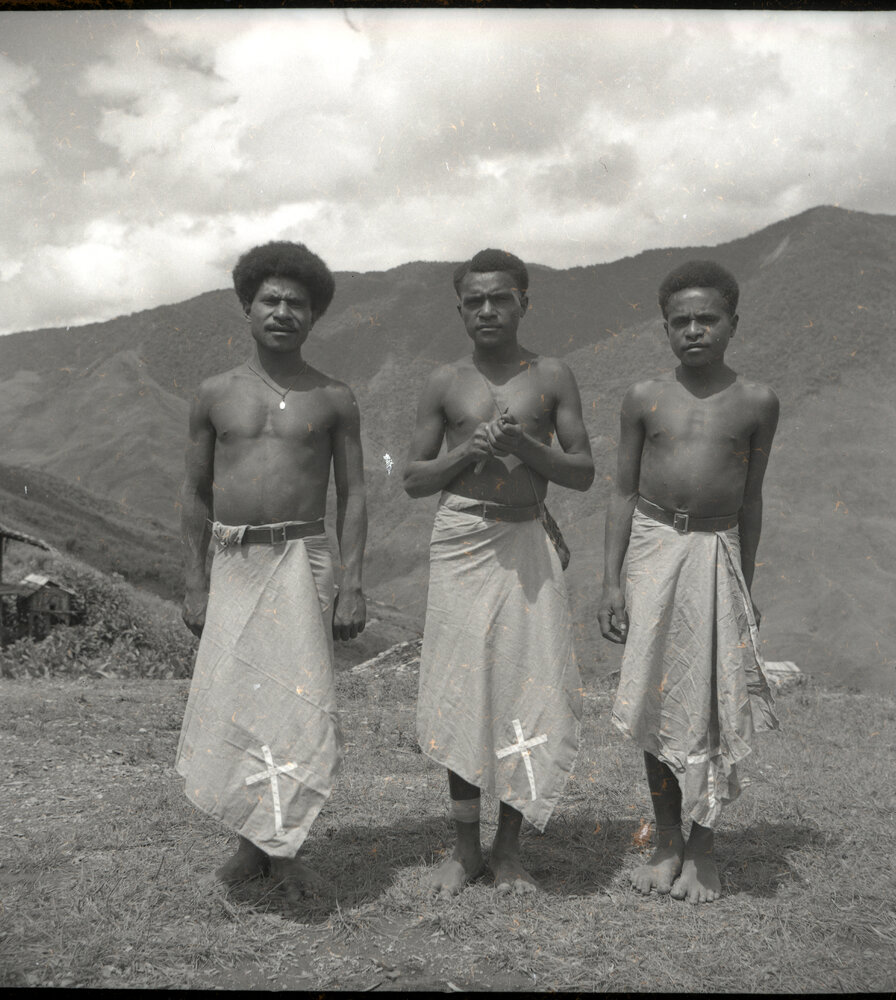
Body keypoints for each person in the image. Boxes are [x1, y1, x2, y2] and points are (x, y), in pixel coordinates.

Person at [175, 240, 367, 897]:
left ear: (315, 316)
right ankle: (247, 844)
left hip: (302, 557)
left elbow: (356, 493)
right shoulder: (214, 394)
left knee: (294, 701)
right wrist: (194, 578)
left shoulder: (334, 397)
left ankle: (285, 848)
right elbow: (194, 491)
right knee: (239, 699)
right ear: (247, 307)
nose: (284, 312)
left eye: (298, 304)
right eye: (271, 300)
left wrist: (353, 582)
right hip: (233, 558)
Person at [404, 248, 594, 897]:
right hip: (462, 540)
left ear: (523, 302)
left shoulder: (552, 377)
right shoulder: (444, 382)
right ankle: (464, 850)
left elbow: (582, 472)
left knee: (525, 688)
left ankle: (508, 849)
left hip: (525, 541)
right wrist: (467, 451)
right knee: (460, 691)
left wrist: (523, 445)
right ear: (460, 309)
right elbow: (413, 479)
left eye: (500, 298)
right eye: (475, 301)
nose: (487, 310)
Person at [597, 259, 780, 904]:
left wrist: (744, 585)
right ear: (665, 329)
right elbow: (622, 490)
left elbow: (751, 499)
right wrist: (611, 581)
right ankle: (668, 839)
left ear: (733, 323)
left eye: (707, 318)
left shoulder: (757, 402)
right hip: (653, 546)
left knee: (712, 701)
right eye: (681, 321)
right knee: (657, 694)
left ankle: (703, 849)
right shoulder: (643, 397)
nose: (694, 330)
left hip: (717, 549)